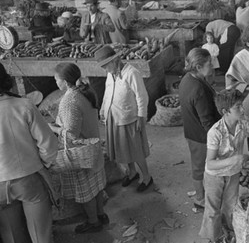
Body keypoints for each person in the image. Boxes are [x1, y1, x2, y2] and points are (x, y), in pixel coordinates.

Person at [199, 89, 249, 242]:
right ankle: (213, 238)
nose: (242, 109)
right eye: (238, 107)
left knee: (230, 206)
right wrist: (232, 160)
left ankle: (228, 232)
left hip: (233, 173)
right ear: (225, 111)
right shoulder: (215, 132)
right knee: (212, 210)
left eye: (241, 105)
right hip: (214, 175)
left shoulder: (244, 122)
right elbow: (210, 163)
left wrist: (248, 155)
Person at [0, 63, 58, 243]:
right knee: (41, 235)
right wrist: (45, 165)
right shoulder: (23, 105)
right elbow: (48, 145)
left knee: (12, 236)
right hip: (29, 179)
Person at [49, 63, 107, 234]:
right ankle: (101, 214)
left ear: (65, 82)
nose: (55, 82)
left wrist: (53, 128)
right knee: (96, 186)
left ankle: (93, 221)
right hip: (92, 146)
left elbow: (71, 134)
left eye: (56, 79)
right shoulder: (84, 92)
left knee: (86, 190)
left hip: (81, 152)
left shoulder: (69, 100)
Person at [97, 46, 153, 192]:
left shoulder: (132, 73)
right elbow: (107, 92)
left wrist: (141, 117)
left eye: (106, 65)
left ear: (115, 60)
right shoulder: (111, 73)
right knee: (123, 148)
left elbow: (142, 96)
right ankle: (132, 172)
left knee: (136, 149)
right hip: (114, 117)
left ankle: (146, 177)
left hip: (130, 118)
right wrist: (103, 109)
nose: (105, 69)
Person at [179, 48, 221, 208]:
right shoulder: (198, 90)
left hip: (192, 130)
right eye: (209, 64)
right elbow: (206, 121)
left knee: (200, 165)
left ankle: (201, 193)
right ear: (198, 66)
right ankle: (200, 198)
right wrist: (219, 137)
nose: (212, 66)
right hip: (200, 136)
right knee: (199, 167)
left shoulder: (188, 79)